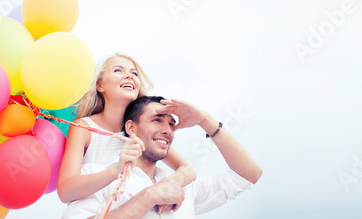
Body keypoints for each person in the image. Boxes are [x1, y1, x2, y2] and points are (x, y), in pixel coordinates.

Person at [62, 96, 262, 218]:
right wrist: (150, 196)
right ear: (131, 128)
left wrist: (205, 120)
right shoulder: (97, 176)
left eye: (171, 124)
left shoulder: (180, 187)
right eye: (157, 120)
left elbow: (248, 175)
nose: (167, 130)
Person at [58, 54, 196, 214]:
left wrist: (166, 185)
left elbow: (188, 169)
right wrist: (116, 171)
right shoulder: (83, 128)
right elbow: (66, 191)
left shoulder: (141, 131)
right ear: (100, 85)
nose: (129, 76)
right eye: (118, 70)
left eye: (134, 73)